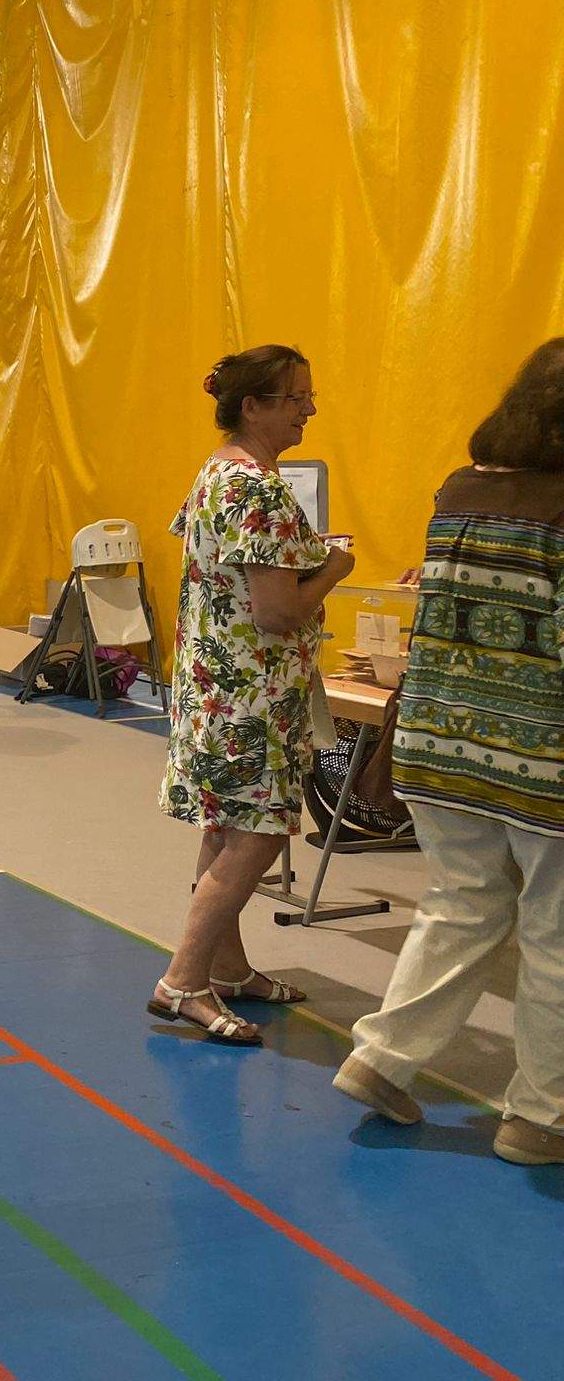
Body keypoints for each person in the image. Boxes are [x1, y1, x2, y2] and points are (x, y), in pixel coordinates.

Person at [335, 341, 564, 1165]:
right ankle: (539, 1116)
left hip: (438, 741)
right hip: (541, 753)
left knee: (459, 903)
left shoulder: (458, 491)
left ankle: (380, 1059)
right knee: (554, 934)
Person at [151, 346, 354, 1046]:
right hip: (253, 700)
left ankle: (230, 969)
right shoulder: (260, 491)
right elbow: (276, 612)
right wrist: (333, 567)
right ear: (254, 406)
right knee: (258, 838)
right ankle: (183, 980)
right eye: (296, 397)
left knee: (226, 832)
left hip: (213, 688)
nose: (310, 409)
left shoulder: (216, 474)